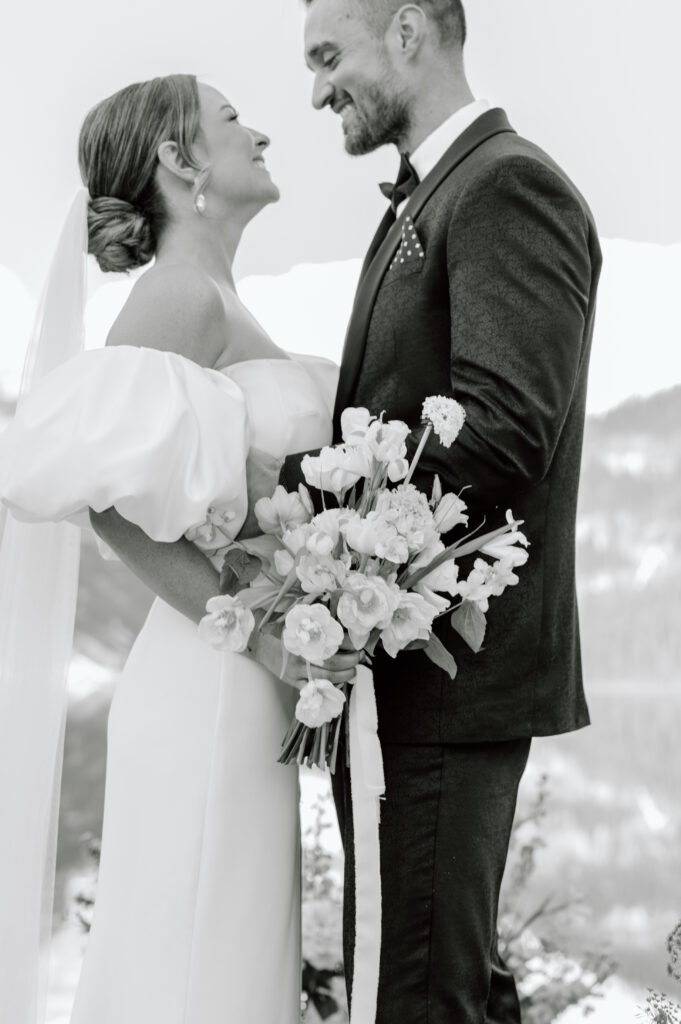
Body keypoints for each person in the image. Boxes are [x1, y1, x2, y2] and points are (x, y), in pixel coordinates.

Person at [0, 74, 359, 1024]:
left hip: (243, 678)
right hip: (210, 680)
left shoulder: (216, 297)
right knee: (195, 955)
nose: (262, 133)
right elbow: (110, 503)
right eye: (233, 120)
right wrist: (262, 634)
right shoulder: (175, 296)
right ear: (178, 158)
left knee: (223, 950)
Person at [274, 1, 603, 1021]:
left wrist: (291, 494)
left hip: (451, 687)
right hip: (400, 685)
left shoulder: (509, 186)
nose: (317, 88)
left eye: (329, 56)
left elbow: (502, 436)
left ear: (410, 28)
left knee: (416, 997)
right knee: (446, 989)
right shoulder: (427, 201)